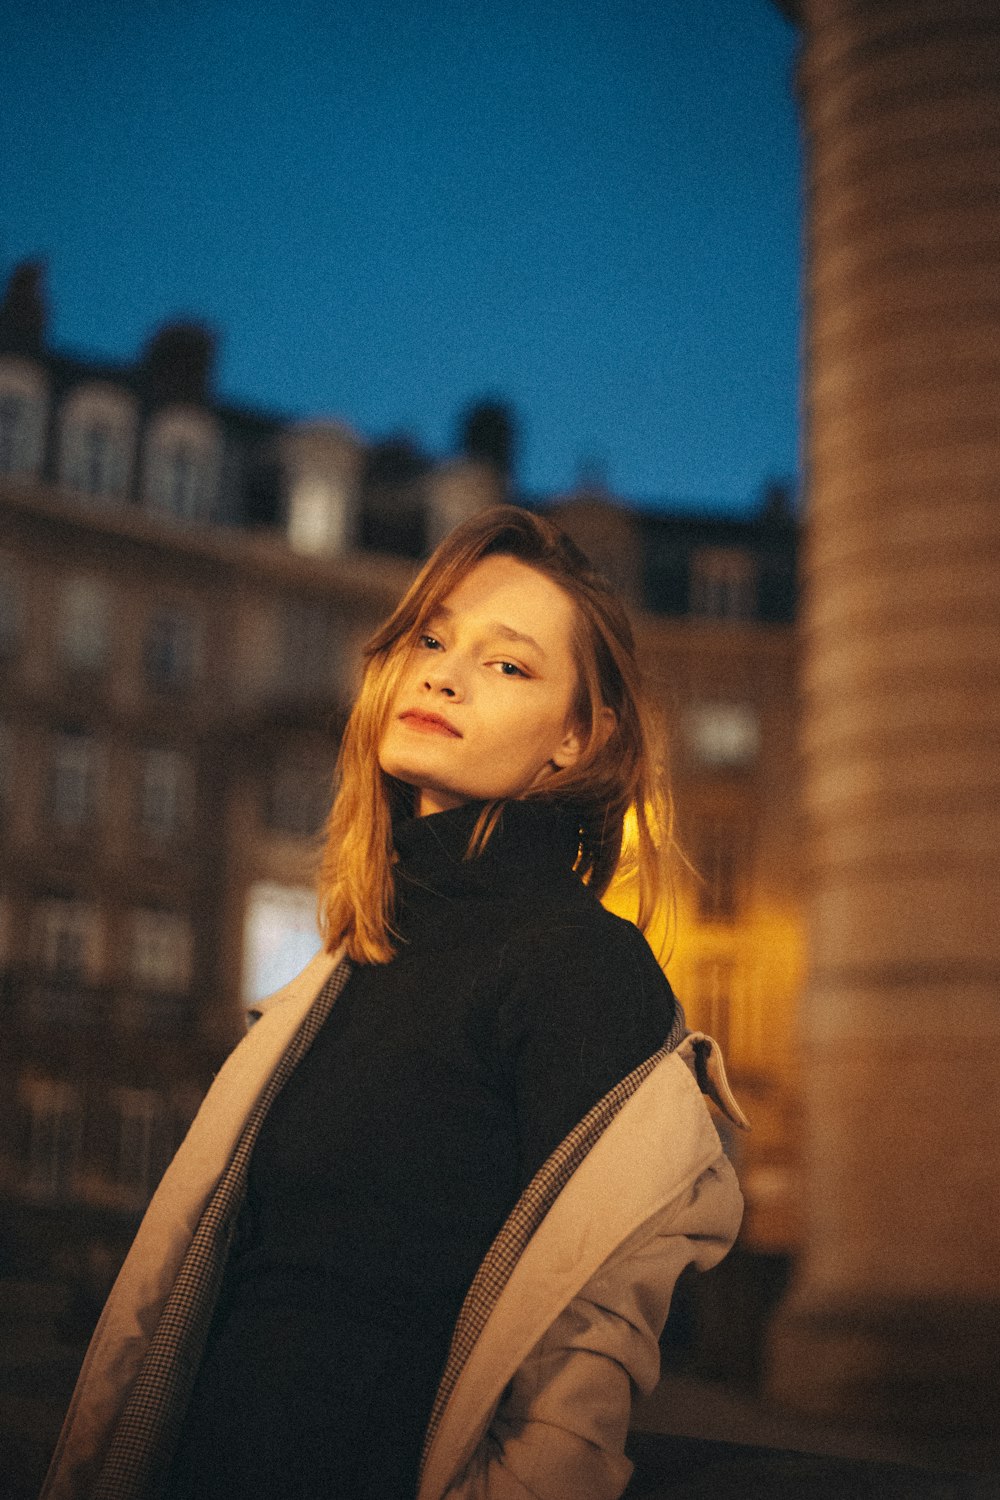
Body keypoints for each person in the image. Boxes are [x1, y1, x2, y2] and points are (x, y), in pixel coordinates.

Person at [41, 506, 745, 1500]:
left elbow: (577, 1371)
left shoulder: (582, 968)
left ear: (576, 739)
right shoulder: (346, 965)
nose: (445, 674)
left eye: (508, 665)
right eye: (431, 637)